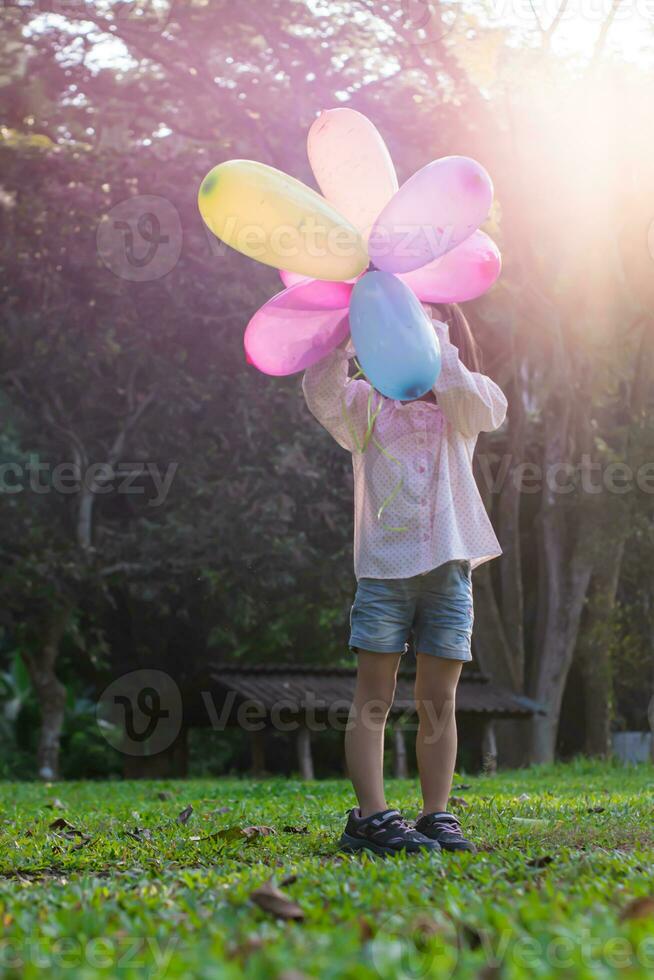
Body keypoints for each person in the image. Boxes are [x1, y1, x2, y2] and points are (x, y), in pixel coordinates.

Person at [302, 302, 507, 857]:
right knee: (374, 695)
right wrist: (350, 329)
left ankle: (436, 814)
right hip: (384, 574)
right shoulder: (366, 406)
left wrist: (434, 342)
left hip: (448, 570)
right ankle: (370, 816)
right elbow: (320, 388)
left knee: (439, 698)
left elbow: (492, 408)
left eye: (426, 321)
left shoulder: (462, 403)